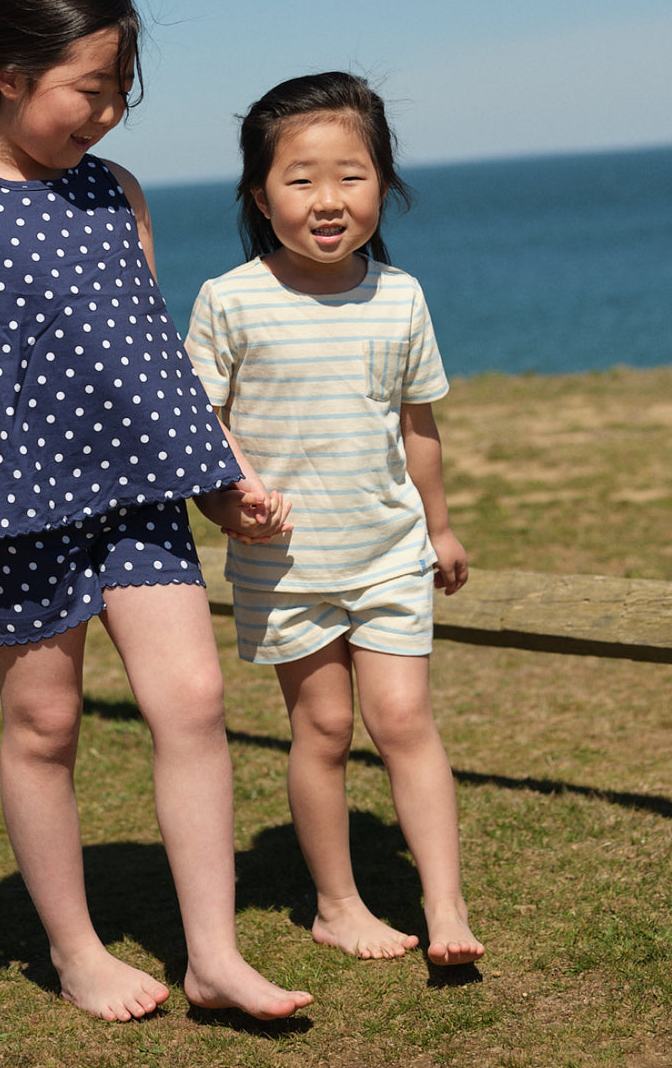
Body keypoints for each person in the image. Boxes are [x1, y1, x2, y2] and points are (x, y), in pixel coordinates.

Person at [0, 0, 312, 1023]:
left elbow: (153, 362)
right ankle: (76, 952)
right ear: (10, 74)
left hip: (136, 503)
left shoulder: (115, 194)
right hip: (16, 514)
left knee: (196, 701)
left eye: (120, 92)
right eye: (89, 90)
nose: (107, 115)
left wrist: (225, 480)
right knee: (43, 728)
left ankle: (213, 956)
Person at [185, 72, 484, 966]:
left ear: (384, 184)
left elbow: (417, 425)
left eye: (350, 176)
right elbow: (205, 431)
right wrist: (226, 504)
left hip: (390, 552)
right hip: (284, 570)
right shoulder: (228, 300)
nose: (327, 201)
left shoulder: (401, 296)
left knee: (404, 721)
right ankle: (337, 905)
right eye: (300, 178)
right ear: (257, 192)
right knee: (321, 730)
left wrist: (439, 525)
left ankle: (446, 907)